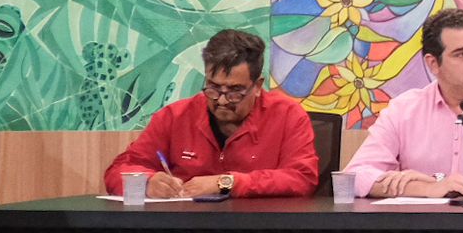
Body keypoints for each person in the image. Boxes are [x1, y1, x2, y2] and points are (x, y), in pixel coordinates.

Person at [343, 8, 463, 198]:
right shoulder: (403, 110)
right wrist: (426, 188)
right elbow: (355, 177)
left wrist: (445, 184)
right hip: (423, 221)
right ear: (433, 63)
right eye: (462, 54)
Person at [104, 29, 318, 198]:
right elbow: (118, 170)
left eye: (235, 91)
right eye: (213, 88)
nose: (222, 101)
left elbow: (302, 178)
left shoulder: (288, 115)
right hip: (186, 229)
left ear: (257, 86)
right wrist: (146, 182)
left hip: (259, 230)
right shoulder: (175, 117)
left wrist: (227, 183)